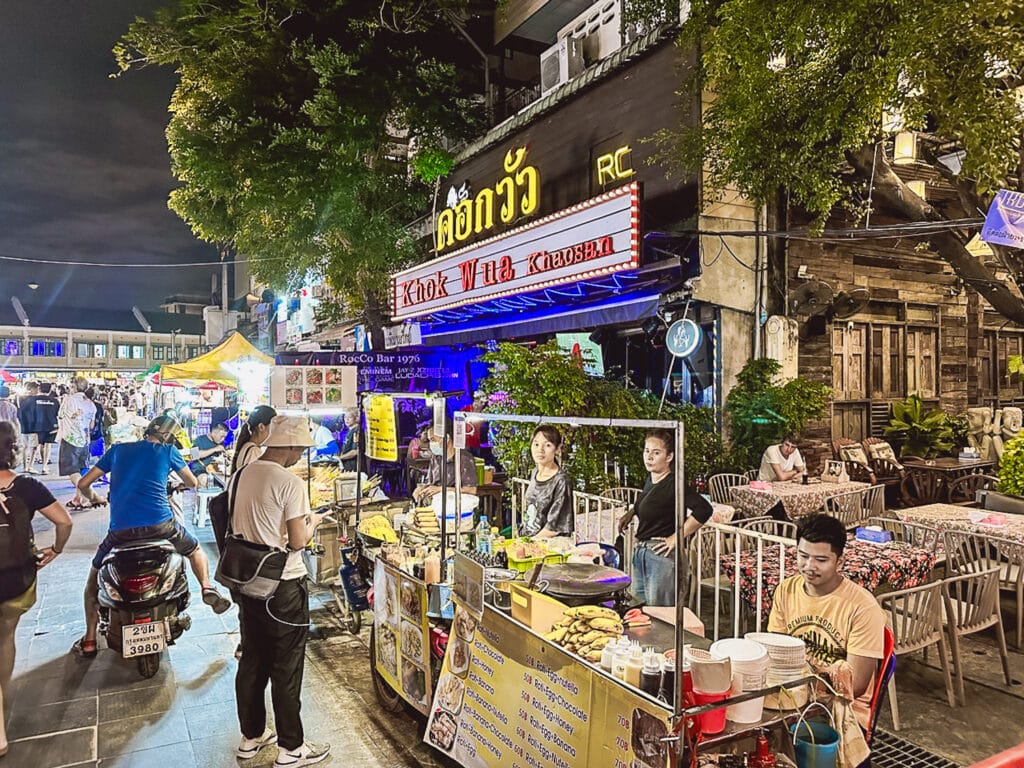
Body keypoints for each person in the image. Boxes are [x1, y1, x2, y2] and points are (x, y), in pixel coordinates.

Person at [72, 414, 231, 658]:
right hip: (161, 526)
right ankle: (207, 587)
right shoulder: (168, 452)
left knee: (92, 582)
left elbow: (83, 483)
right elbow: (192, 483)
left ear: (148, 431)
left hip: (120, 532)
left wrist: (95, 498)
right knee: (195, 550)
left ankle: (90, 639)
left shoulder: (117, 450)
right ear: (169, 437)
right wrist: (177, 485)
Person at [230, 415, 331, 767]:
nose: (300, 456)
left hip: (247, 584)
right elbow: (298, 541)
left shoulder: (243, 473)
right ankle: (291, 749)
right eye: (300, 450)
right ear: (288, 447)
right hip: (284, 586)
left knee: (253, 661)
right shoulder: (290, 483)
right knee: (286, 668)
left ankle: (251, 737)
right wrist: (313, 521)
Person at [768, 513, 885, 731]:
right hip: (795, 696)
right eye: (803, 556)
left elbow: (856, 685)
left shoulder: (862, 607)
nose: (809, 566)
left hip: (843, 709)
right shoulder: (786, 590)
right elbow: (777, 651)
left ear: (840, 561)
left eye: (821, 560)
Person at [0, 420, 73, 759]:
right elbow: (64, 521)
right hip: (16, 578)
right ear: (12, 449)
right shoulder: (26, 486)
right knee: (5, 638)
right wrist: (56, 549)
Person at [616, 429, 713, 607]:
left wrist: (675, 538)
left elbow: (704, 509)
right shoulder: (652, 479)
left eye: (656, 452)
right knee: (637, 610)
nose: (649, 457)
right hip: (642, 553)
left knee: (660, 615)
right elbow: (650, 501)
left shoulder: (674, 482)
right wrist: (632, 513)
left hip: (661, 557)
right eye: (647, 451)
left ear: (669, 457)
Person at [520, 425, 574, 538]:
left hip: (549, 548)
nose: (540, 450)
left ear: (558, 449)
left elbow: (555, 527)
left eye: (548, 445)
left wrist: (531, 542)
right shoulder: (535, 472)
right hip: (529, 540)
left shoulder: (561, 480)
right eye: (536, 444)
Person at [411, 420, 478, 506]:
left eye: (433, 439)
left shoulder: (464, 459)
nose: (431, 444)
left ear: (447, 438)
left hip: (456, 508)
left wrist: (442, 489)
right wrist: (421, 488)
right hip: (436, 506)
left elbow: (471, 490)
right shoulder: (436, 457)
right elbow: (430, 483)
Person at [57, 377, 98, 510]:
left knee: (72, 471)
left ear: (74, 387)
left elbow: (60, 415)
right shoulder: (91, 404)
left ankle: (87, 498)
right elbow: (92, 425)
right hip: (85, 441)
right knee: (82, 470)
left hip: (71, 439)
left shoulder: (69, 399)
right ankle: (77, 499)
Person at [231, 406, 277, 474]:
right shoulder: (254, 452)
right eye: (273, 426)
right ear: (261, 427)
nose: (274, 431)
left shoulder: (247, 446)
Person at [189, 422, 229, 488]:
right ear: (214, 432)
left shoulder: (221, 443)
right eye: (221, 436)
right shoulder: (199, 440)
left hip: (217, 472)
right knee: (204, 479)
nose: (223, 439)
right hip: (201, 471)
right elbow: (193, 455)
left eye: (225, 437)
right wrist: (214, 449)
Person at [31, 382, 60, 473]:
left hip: (38, 425)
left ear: (39, 389)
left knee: (40, 444)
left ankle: (34, 463)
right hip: (51, 425)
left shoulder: (34, 400)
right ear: (50, 390)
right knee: (48, 445)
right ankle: (44, 466)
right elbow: (58, 414)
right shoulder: (55, 401)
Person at [17, 382, 40, 474]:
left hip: (23, 425)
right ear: (33, 389)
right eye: (37, 389)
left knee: (24, 447)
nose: (38, 391)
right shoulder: (36, 399)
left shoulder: (20, 398)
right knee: (33, 447)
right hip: (34, 426)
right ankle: (30, 466)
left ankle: (25, 466)